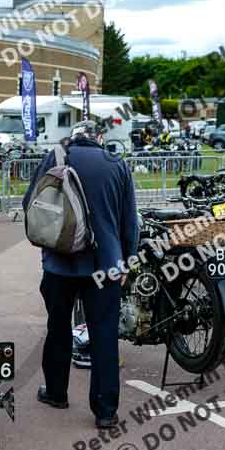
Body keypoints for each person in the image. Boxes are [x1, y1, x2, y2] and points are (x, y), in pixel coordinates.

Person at [27, 120, 139, 430]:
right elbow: (130, 222)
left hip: (59, 264)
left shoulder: (55, 158)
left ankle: (56, 391)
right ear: (100, 139)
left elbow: (31, 205)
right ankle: (105, 411)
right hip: (106, 265)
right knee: (104, 335)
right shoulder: (117, 165)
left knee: (58, 327)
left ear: (73, 139)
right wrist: (127, 261)